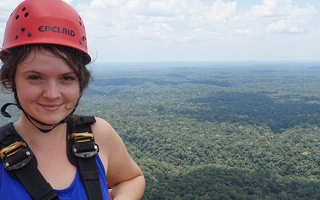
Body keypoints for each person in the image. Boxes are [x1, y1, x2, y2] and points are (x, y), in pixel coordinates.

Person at [0, 0, 145, 199]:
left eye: (67, 78)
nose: (52, 94)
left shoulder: (98, 135)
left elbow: (130, 178)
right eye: (35, 77)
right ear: (11, 79)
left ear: (80, 83)